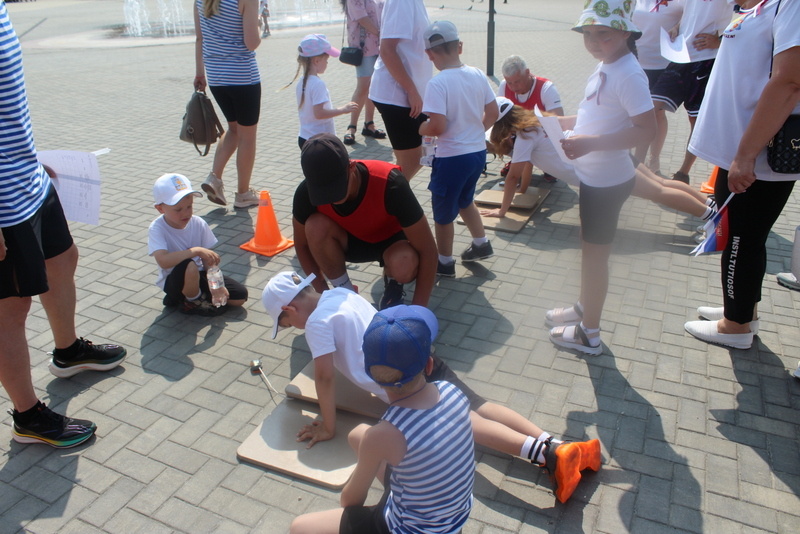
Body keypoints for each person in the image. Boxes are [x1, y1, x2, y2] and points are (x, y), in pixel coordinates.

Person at [264, 272, 602, 504]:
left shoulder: (316, 325)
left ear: (289, 309)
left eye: (286, 323)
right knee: (479, 405)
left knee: (469, 423)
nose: (293, 327)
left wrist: (328, 425)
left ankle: (549, 454)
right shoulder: (337, 294)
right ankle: (554, 443)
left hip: (404, 385)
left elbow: (323, 377)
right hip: (417, 357)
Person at [0, 2, 126, 447]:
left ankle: (68, 352)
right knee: (10, 310)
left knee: (63, 259)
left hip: (24, 177)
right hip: (2, 205)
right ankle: (27, 416)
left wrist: (28, 158)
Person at [289, 305, 474, 533]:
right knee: (358, 433)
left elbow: (350, 502)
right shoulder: (451, 391)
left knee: (299, 527)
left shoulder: (386, 434)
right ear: (429, 365)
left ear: (370, 375)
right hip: (454, 517)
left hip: (406, 528)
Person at [683, 0, 800, 349]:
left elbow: (790, 81)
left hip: (756, 156)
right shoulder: (766, 6)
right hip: (741, 152)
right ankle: (742, 310)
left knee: (740, 240)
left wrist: (746, 154)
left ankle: (735, 327)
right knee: (745, 239)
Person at [547, 0, 656, 355]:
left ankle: (588, 333)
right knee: (589, 253)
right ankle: (584, 307)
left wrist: (590, 142)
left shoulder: (628, 73)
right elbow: (597, 114)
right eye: (588, 33)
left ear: (626, 31)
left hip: (606, 183)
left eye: (603, 34)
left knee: (594, 259)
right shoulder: (607, 64)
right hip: (595, 177)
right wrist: (558, 124)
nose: (594, 41)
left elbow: (646, 131)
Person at [483, 97, 716, 224]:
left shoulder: (523, 136)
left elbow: (513, 176)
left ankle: (713, 220)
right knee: (660, 183)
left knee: (657, 192)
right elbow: (524, 169)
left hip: (600, 167)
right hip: (604, 156)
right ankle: (712, 206)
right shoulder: (534, 123)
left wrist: (502, 211)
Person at [293, 133, 437, 310]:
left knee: (404, 263)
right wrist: (324, 296)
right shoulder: (304, 192)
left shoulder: (391, 183)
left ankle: (393, 283)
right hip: (346, 243)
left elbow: (428, 250)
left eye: (336, 189)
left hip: (390, 241)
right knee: (314, 226)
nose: (331, 197)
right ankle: (344, 294)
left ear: (351, 167)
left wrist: (419, 310)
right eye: (323, 192)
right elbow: (302, 246)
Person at [418, 21, 498, 278]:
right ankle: (481, 243)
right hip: (476, 154)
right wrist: (475, 132)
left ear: (430, 53)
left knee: (443, 215)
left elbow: (438, 125)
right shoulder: (476, 74)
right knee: (465, 200)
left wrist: (422, 129)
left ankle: (444, 262)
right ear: (459, 47)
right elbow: (494, 112)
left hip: (451, 158)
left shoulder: (437, 84)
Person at [648, 0, 733, 184]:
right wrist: (677, 27)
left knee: (695, 120)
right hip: (680, 55)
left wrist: (720, 41)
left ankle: (683, 173)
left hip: (706, 60)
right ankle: (648, 163)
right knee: (651, 108)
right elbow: (691, 14)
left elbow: (751, 13)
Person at [148, 173, 248, 316]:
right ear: (160, 208)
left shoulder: (198, 223)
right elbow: (163, 261)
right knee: (190, 265)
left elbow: (208, 260)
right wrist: (195, 251)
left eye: (189, 206)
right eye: (178, 209)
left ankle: (198, 296)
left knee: (239, 297)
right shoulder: (157, 228)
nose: (186, 213)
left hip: (198, 274)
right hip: (175, 280)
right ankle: (193, 301)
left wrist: (216, 286)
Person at [194, 0, 262, 209]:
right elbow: (252, 42)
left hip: (216, 77)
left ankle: (215, 178)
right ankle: (243, 194)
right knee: (247, 137)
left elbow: (199, 38)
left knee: (233, 129)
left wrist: (199, 73)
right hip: (243, 76)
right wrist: (257, 21)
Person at [368, 0, 431, 179]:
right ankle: (385, 200)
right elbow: (387, 50)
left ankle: (389, 200)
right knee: (412, 159)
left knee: (414, 158)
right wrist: (411, 91)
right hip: (397, 94)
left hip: (410, 94)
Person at [631, 0, 685, 174]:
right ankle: (628, 158)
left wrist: (678, 26)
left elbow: (692, 17)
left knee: (656, 114)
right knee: (632, 112)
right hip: (635, 62)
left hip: (664, 64)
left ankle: (650, 160)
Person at [496, 54, 565, 183]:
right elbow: (499, 116)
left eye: (517, 81)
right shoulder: (504, 86)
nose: (513, 87)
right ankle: (517, 161)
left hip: (541, 135)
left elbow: (558, 119)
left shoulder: (546, 87)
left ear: (527, 73)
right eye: (509, 82)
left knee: (529, 139)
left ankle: (548, 166)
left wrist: (529, 129)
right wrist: (505, 134)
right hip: (517, 134)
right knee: (492, 139)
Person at [288, 34, 359, 150]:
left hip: (304, 137)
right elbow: (319, 113)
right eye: (326, 60)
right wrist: (343, 109)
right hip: (320, 141)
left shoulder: (301, 82)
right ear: (316, 60)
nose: (327, 63)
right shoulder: (317, 84)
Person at [340, 0, 386, 146]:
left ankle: (369, 123)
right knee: (363, 86)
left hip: (379, 46)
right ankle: (351, 126)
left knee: (372, 86)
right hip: (364, 46)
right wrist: (380, 33)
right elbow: (361, 17)